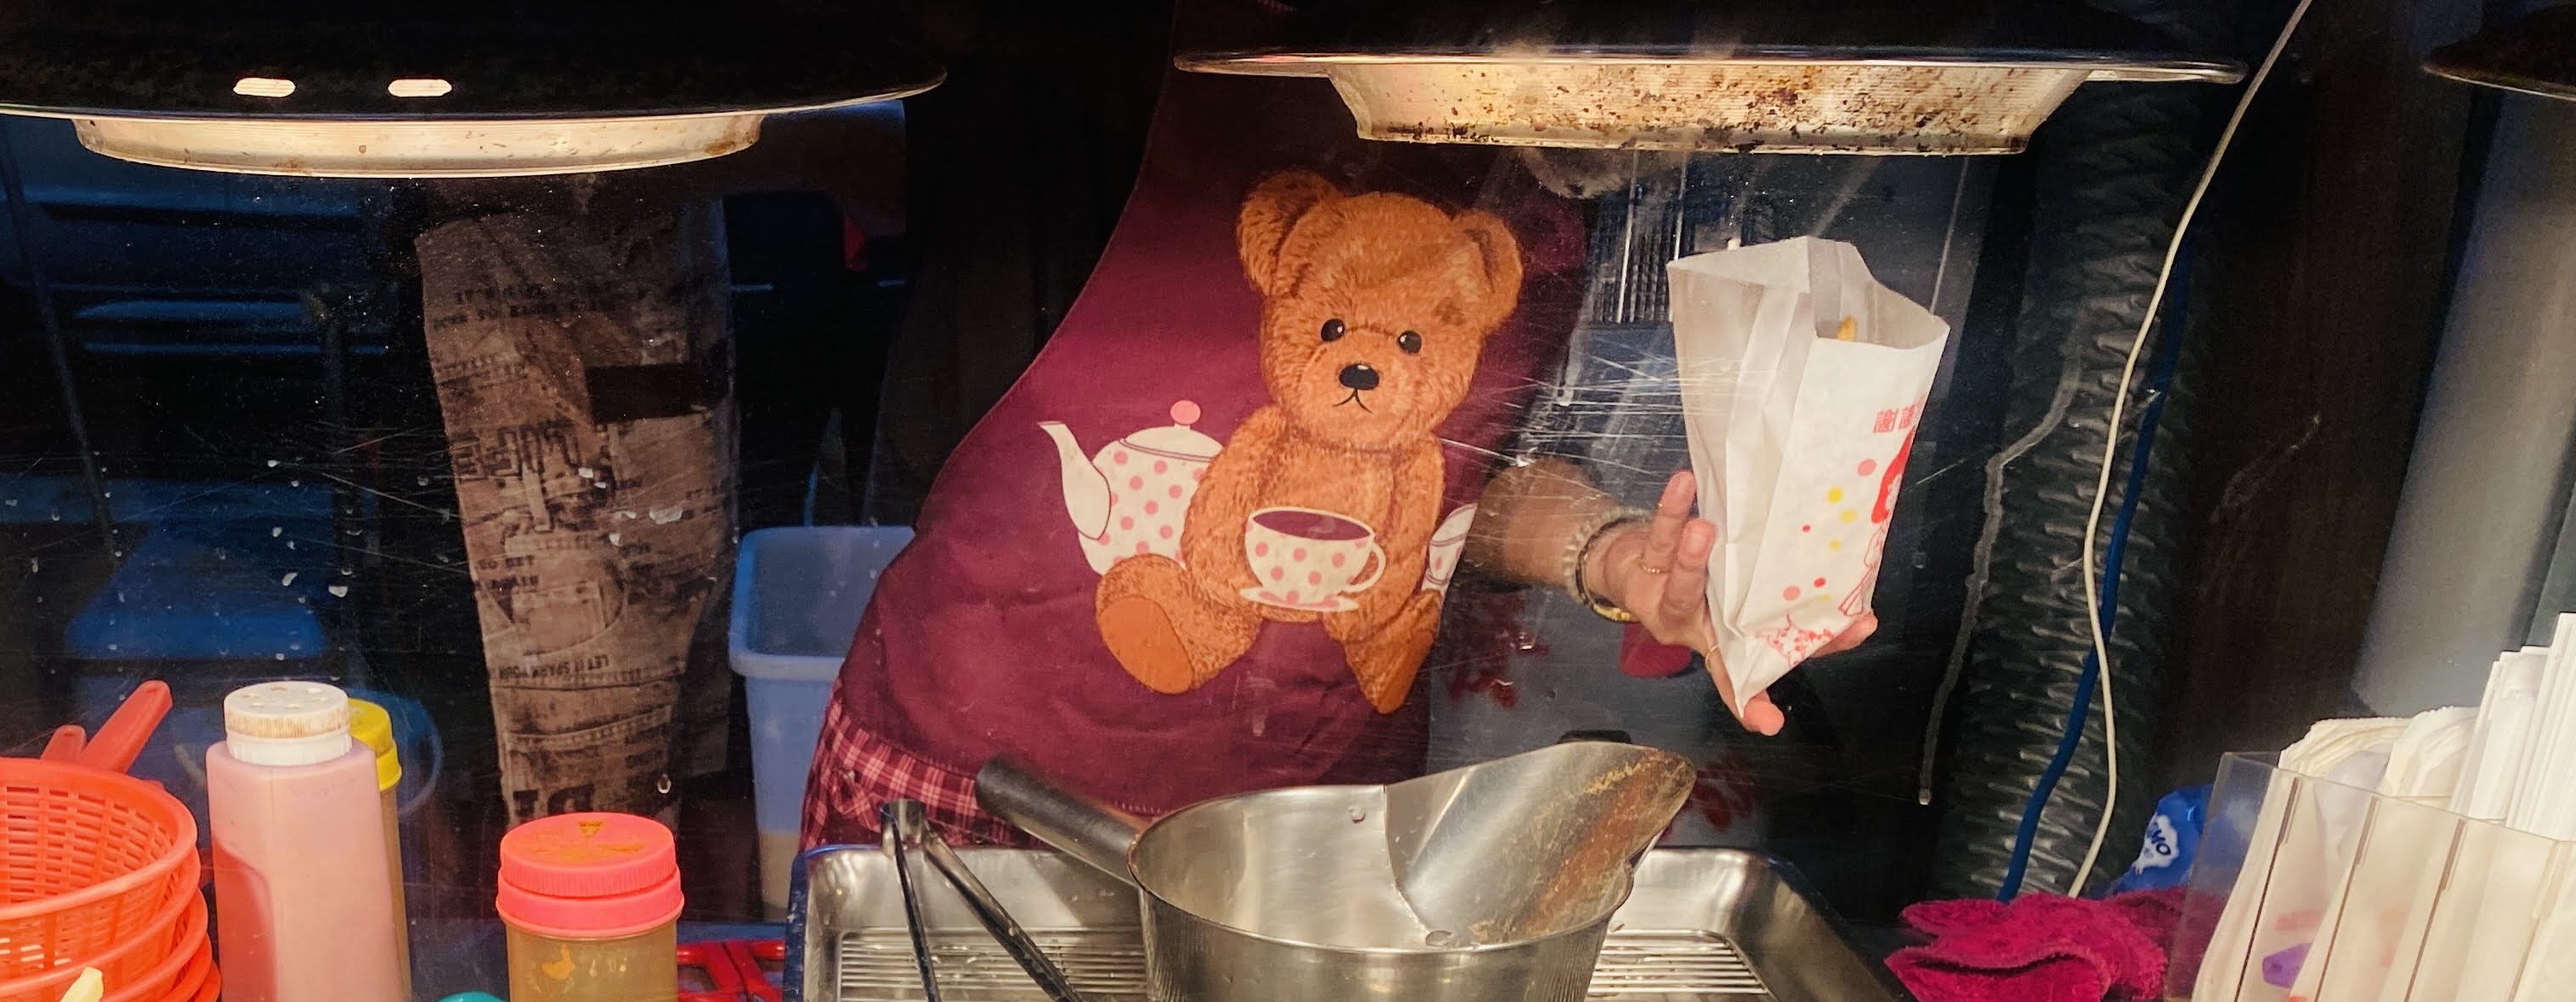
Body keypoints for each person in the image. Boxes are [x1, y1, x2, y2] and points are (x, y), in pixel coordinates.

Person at [801, 67, 1870, 854]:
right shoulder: (1107, 66)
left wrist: (1615, 554)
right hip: (978, 804)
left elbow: (1469, 484)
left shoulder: (1544, 168)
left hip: (1304, 848)